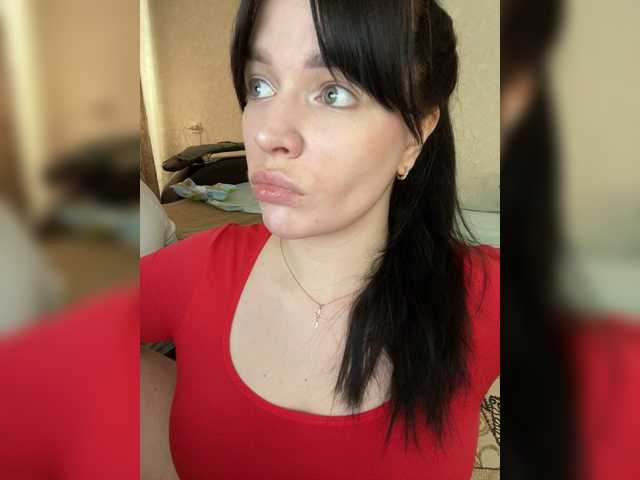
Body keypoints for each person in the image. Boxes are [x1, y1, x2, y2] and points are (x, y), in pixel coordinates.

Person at [141, 0, 499, 478]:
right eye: (260, 85)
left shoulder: (481, 295)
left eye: (333, 93)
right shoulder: (198, 270)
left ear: (416, 135)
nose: (269, 134)